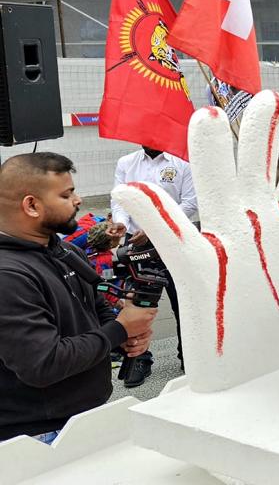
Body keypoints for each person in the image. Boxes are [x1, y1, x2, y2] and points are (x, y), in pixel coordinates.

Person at [0, 153, 156, 443]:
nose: (78, 200)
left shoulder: (66, 252)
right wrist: (120, 329)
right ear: (31, 205)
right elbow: (43, 364)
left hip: (86, 416)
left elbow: (96, 307)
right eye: (66, 194)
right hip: (39, 436)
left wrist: (124, 336)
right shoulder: (8, 275)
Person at [107, 145, 196, 387]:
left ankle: (189, 355)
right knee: (138, 304)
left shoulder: (183, 163)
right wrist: (122, 224)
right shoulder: (126, 162)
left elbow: (189, 203)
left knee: (184, 302)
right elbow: (119, 200)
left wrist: (155, 228)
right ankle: (139, 359)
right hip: (136, 244)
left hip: (175, 241)